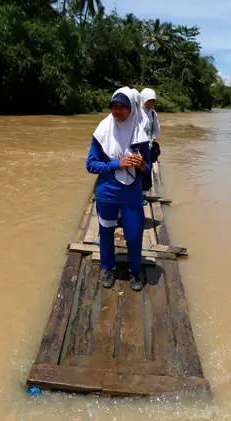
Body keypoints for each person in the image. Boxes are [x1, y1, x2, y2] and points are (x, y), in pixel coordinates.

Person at [85, 87, 152, 291]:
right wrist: (117, 164)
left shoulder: (140, 134)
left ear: (132, 109)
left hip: (132, 194)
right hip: (107, 191)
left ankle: (135, 270)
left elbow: (148, 167)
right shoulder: (102, 132)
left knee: (133, 234)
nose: (118, 111)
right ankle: (107, 268)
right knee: (106, 232)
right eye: (114, 107)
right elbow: (90, 165)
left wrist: (141, 165)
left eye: (123, 107)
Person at [140, 88, 161, 193]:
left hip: (148, 145)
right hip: (136, 145)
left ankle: (144, 192)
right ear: (143, 99)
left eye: (153, 101)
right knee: (135, 167)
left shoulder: (153, 114)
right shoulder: (136, 112)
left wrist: (152, 140)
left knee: (147, 168)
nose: (151, 103)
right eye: (149, 100)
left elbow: (156, 129)